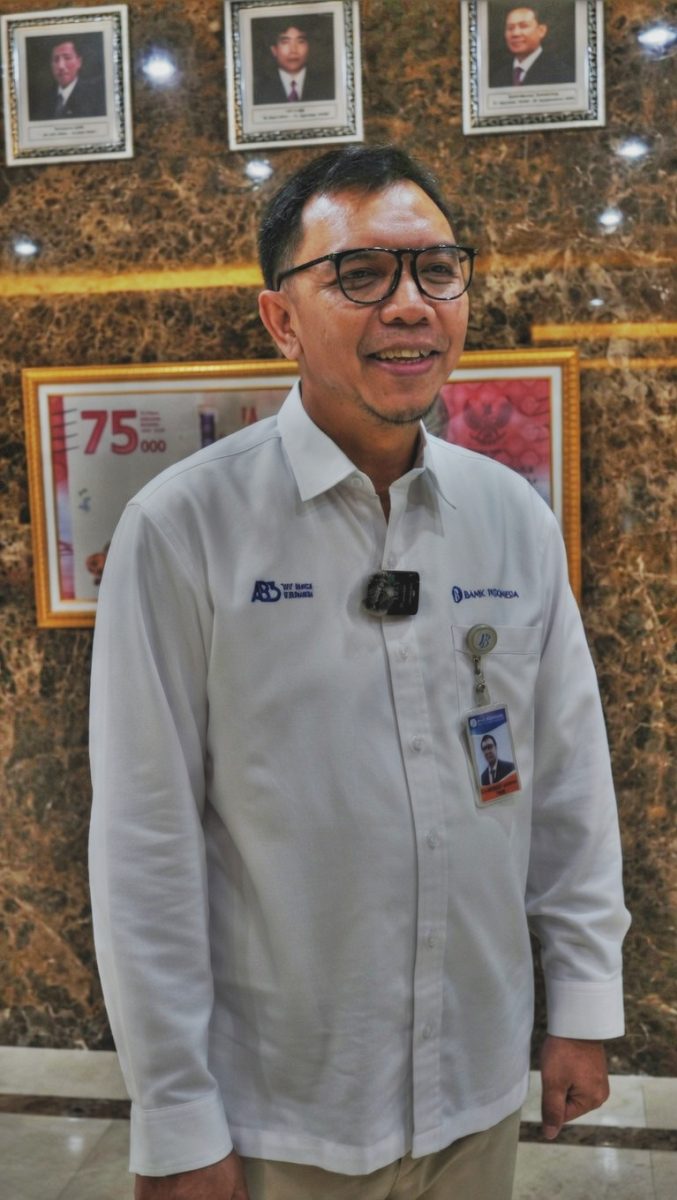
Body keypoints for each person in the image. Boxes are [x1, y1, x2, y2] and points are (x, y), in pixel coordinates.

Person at [89, 145, 630, 1200]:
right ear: (281, 318)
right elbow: (146, 847)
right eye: (361, 275)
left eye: (438, 270)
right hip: (286, 1111)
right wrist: (176, 1115)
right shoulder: (184, 529)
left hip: (475, 1084)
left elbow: (568, 781)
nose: (411, 305)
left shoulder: (508, 517)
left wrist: (583, 1003)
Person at [252, 18, 334, 104]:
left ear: (309, 47)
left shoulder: (328, 86)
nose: (293, 50)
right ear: (274, 50)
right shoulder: (258, 90)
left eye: (300, 41)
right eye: (285, 42)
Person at [489, 4, 575, 87]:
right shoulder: (497, 77)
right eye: (510, 28)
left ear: (541, 31)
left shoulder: (562, 73)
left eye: (523, 26)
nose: (515, 33)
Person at [31, 36, 106, 120]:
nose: (61, 66)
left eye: (67, 58)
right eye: (56, 60)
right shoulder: (43, 100)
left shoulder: (95, 97)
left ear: (79, 62)